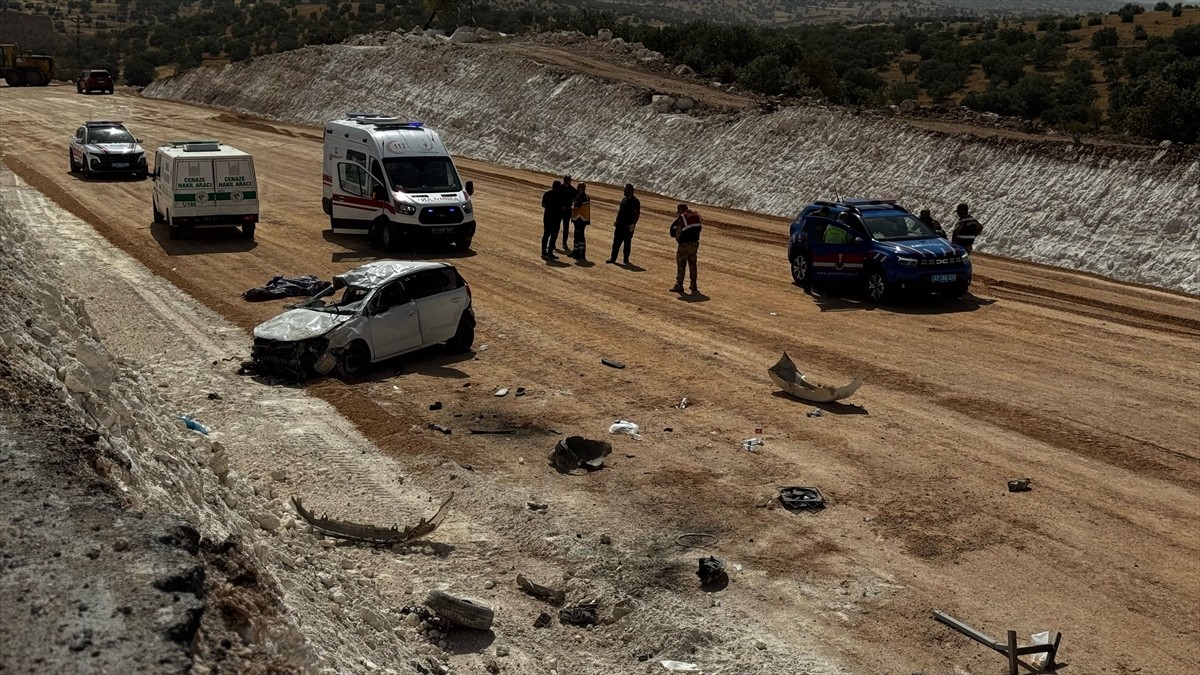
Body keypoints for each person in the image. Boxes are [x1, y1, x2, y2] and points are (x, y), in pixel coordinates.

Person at [669, 203, 703, 294]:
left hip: (685, 244)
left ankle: (679, 285)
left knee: (681, 265)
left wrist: (678, 239)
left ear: (681, 210)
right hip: (695, 243)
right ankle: (693, 284)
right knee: (693, 264)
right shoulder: (697, 215)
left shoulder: (682, 217)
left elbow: (677, 231)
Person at [607, 183, 640, 265]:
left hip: (628, 226)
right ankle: (613, 258)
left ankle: (626, 260)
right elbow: (620, 212)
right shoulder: (623, 199)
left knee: (627, 243)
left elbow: (637, 214)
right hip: (620, 225)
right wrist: (616, 220)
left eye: (626, 189)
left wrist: (633, 224)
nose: (624, 190)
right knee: (616, 243)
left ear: (631, 191)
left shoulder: (635, 201)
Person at [568, 182, 591, 260]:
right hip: (582, 219)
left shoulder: (581, 197)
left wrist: (571, 208)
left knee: (579, 237)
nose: (577, 189)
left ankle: (581, 253)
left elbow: (576, 208)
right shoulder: (585, 196)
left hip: (580, 219)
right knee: (578, 236)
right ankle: (576, 251)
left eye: (578, 187)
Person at [541, 180, 562, 258]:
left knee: (546, 234)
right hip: (556, 218)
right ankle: (549, 252)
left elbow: (543, 205)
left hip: (547, 217)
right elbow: (563, 207)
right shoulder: (560, 195)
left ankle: (544, 252)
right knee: (553, 236)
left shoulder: (547, 194)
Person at [559, 175, 577, 250]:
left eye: (568, 180)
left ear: (570, 181)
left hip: (567, 210)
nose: (566, 182)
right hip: (559, 209)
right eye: (565, 180)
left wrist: (573, 207)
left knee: (566, 228)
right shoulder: (559, 188)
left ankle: (564, 243)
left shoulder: (573, 190)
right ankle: (552, 243)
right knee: (555, 227)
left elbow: (576, 200)